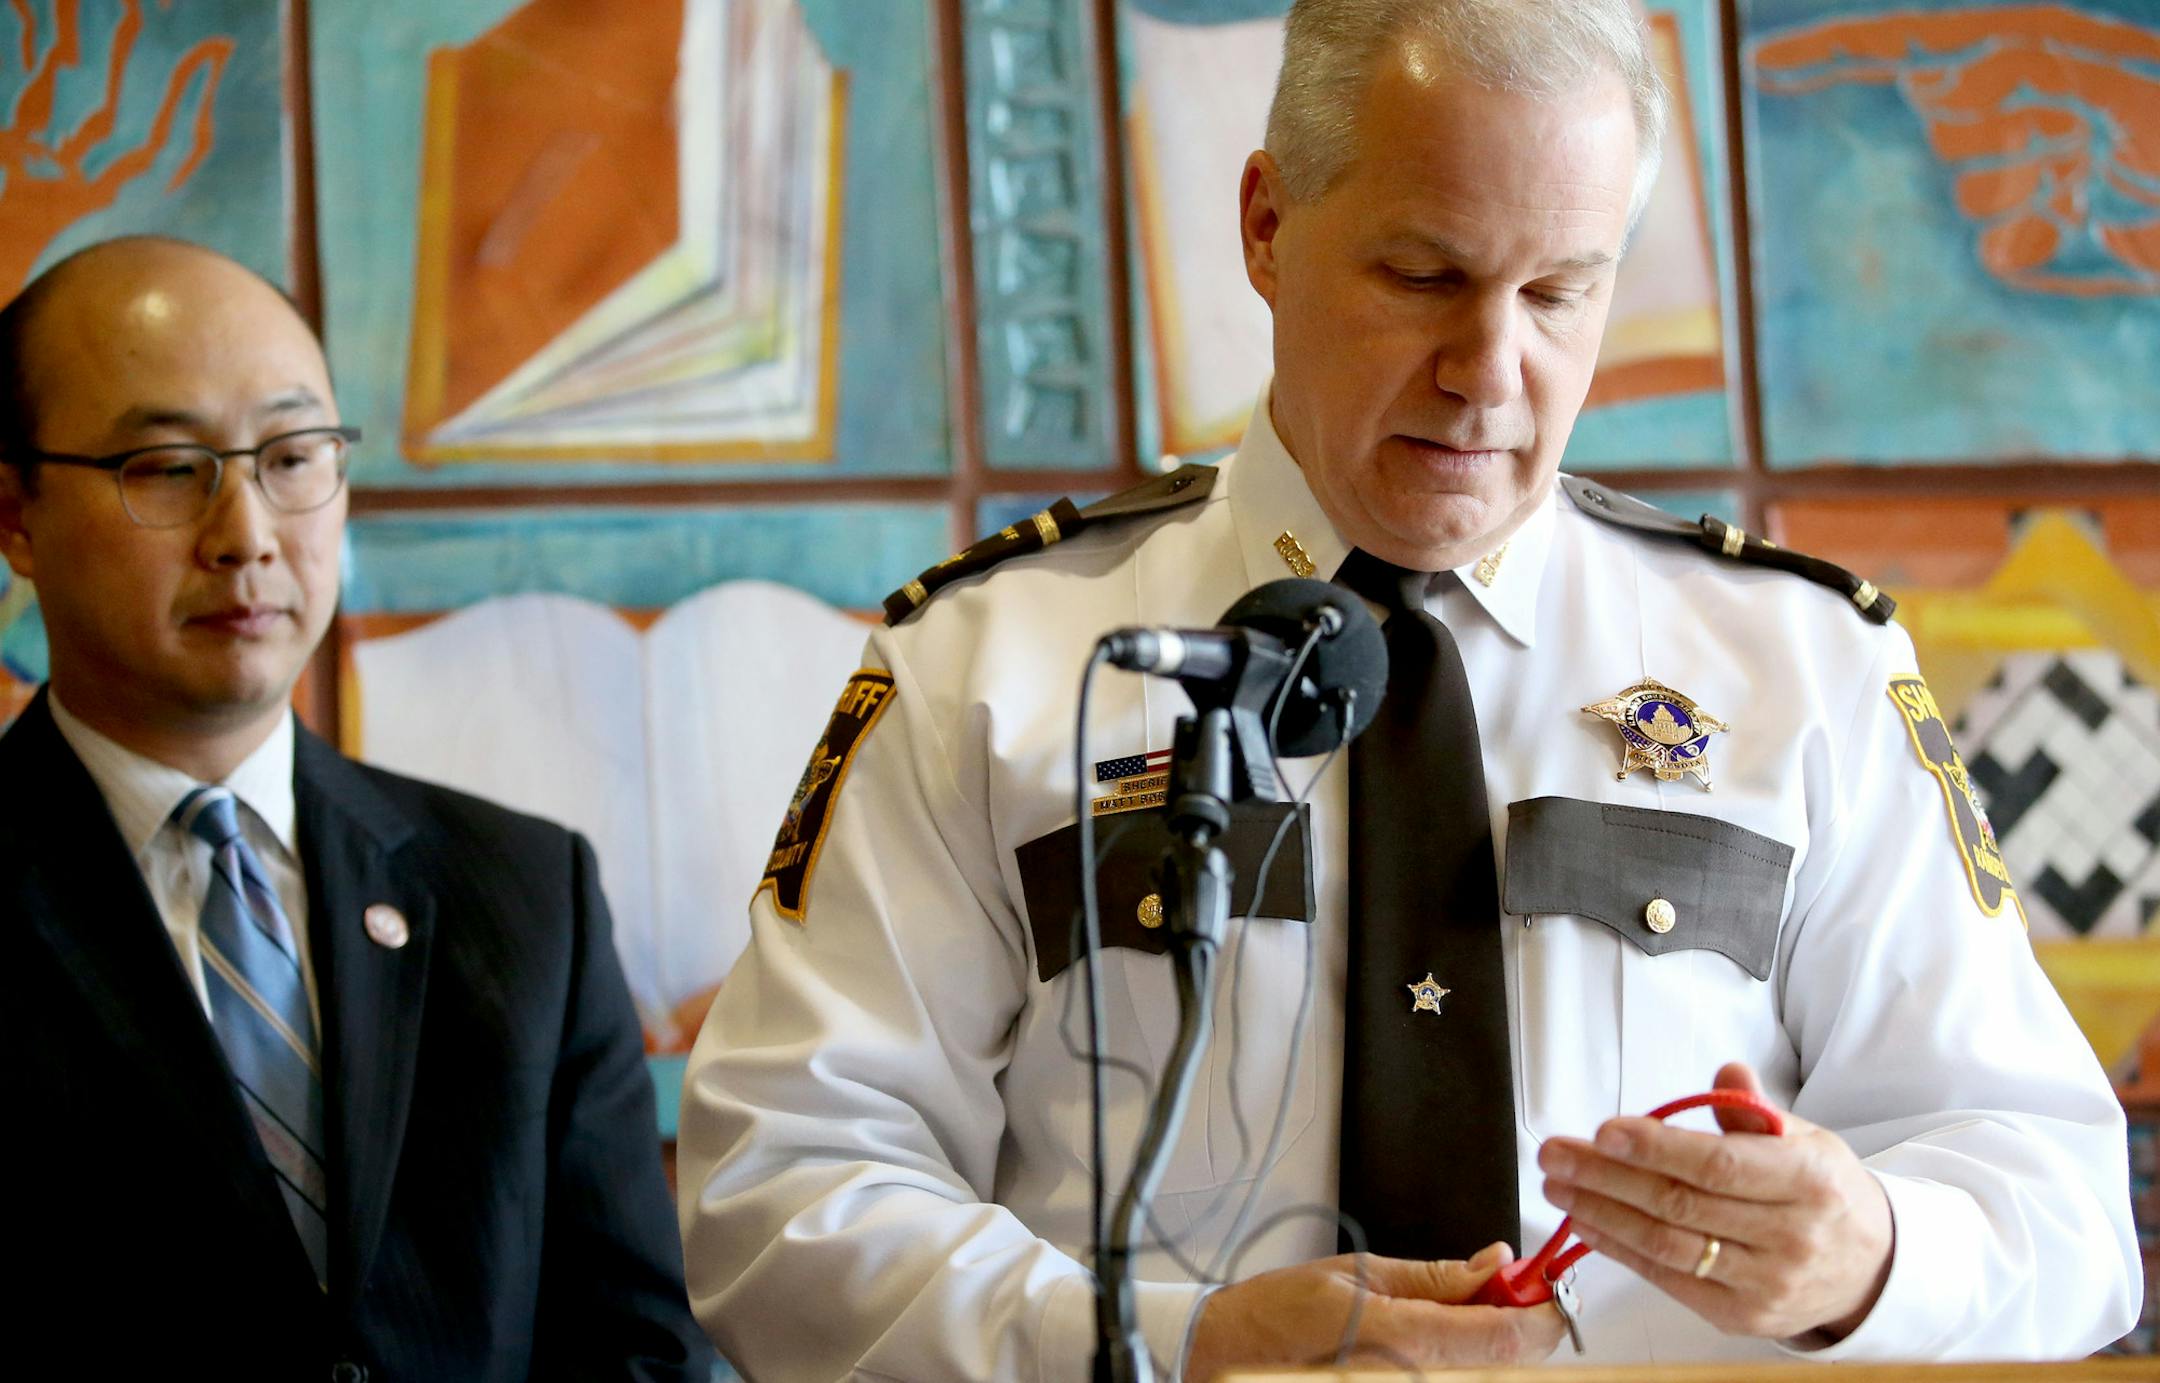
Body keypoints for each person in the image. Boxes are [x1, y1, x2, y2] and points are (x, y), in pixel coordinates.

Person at [676, 0, 2139, 1376]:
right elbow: (775, 1185)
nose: (1490, 369)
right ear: (1266, 225)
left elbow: (2059, 1202)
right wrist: (1170, 1347)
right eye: (1424, 273)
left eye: (1560, 291)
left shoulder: (1798, 662)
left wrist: (1872, 1256)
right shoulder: (993, 665)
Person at [0, 236, 715, 1382]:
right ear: (17, 515)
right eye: (170, 468)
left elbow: (637, 1349)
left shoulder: (527, 896)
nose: (246, 535)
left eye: (292, 457)